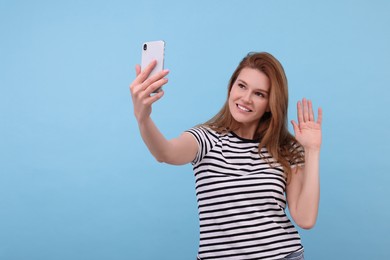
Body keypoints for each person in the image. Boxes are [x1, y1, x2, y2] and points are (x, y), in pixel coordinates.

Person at [130, 52, 322, 260]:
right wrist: (143, 119)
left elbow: (305, 218)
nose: (246, 98)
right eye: (242, 86)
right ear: (231, 87)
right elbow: (165, 153)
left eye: (259, 94)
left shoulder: (284, 148)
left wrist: (312, 150)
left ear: (270, 104)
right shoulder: (206, 138)